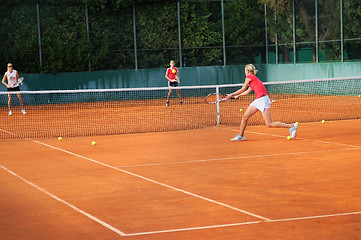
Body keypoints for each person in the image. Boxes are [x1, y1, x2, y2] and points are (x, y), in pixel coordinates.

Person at [226, 64, 297, 141]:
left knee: (269, 124)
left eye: (245, 71)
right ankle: (241, 135)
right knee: (245, 117)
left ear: (247, 71)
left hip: (263, 100)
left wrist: (231, 95)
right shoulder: (253, 79)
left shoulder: (249, 77)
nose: (245, 72)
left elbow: (242, 89)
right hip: (258, 100)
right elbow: (247, 91)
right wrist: (238, 95)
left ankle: (291, 126)